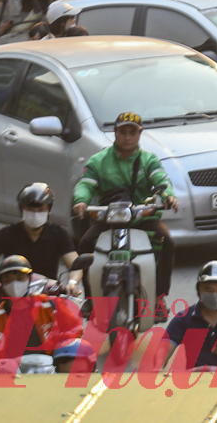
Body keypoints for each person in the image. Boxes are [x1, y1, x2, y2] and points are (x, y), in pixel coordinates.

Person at [73, 111, 180, 309]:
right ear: (115, 132)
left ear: (140, 134)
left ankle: (158, 297)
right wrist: (81, 201)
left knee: (167, 241)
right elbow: (85, 184)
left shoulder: (149, 160)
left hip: (142, 217)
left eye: (133, 132)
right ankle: (90, 298)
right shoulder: (98, 160)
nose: (128, 136)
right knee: (86, 242)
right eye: (123, 132)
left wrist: (168, 197)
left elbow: (161, 181)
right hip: (108, 218)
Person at [0, 182, 78, 300]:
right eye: (30, 210)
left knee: (68, 317)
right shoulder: (6, 234)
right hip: (11, 297)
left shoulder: (59, 234)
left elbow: (75, 264)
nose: (35, 214)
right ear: (22, 209)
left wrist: (72, 283)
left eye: (40, 209)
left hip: (47, 297)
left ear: (48, 209)